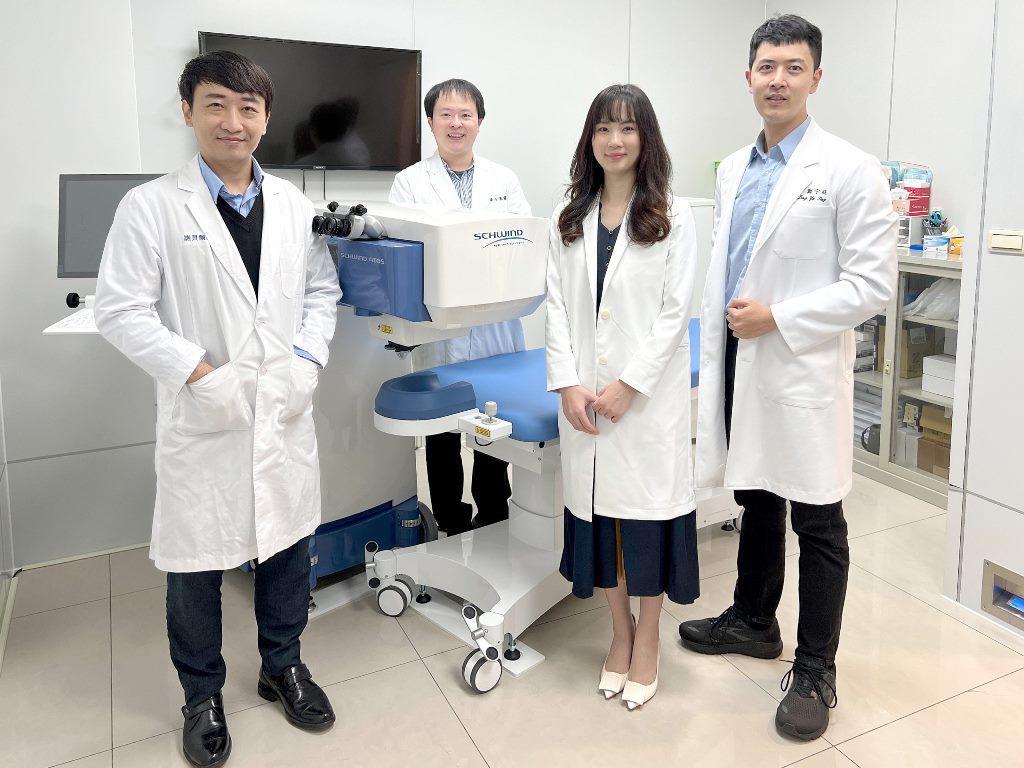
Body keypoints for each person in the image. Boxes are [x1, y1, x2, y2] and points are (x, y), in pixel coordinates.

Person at [94, 50, 342, 767]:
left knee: (287, 548)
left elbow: (321, 293)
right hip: (206, 416)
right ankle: (201, 694)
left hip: (283, 409)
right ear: (188, 112)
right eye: (216, 105)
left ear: (265, 118)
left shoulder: (293, 205)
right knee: (197, 566)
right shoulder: (150, 206)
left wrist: (307, 361)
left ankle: (282, 666)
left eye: (248, 108)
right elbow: (120, 310)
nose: (233, 122)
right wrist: (199, 372)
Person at [679, 15, 897, 741]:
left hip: (798, 360)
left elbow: (872, 285)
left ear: (815, 78)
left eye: (793, 67)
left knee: (818, 517)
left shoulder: (849, 169)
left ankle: (815, 669)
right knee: (756, 493)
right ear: (748, 77)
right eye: (767, 67)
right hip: (739, 353)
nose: (778, 80)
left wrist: (780, 317)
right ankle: (753, 619)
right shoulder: (734, 168)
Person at [546, 84, 700, 711]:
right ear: (590, 139)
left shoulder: (672, 215)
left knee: (644, 524)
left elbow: (676, 312)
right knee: (601, 521)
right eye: (604, 128)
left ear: (646, 138)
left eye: (628, 128)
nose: (615, 140)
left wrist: (631, 384)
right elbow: (556, 306)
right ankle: (619, 632)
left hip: (645, 403)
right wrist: (566, 381)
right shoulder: (569, 217)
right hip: (585, 398)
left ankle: (649, 638)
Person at [389, 78, 531, 535]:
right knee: (442, 427)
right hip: (440, 324)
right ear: (431, 122)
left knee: (494, 418)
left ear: (479, 122)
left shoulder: (503, 180)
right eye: (446, 115)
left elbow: (521, 244)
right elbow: (405, 252)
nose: (456, 123)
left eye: (465, 115)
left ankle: (493, 512)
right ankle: (451, 518)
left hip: (496, 319)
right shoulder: (410, 182)